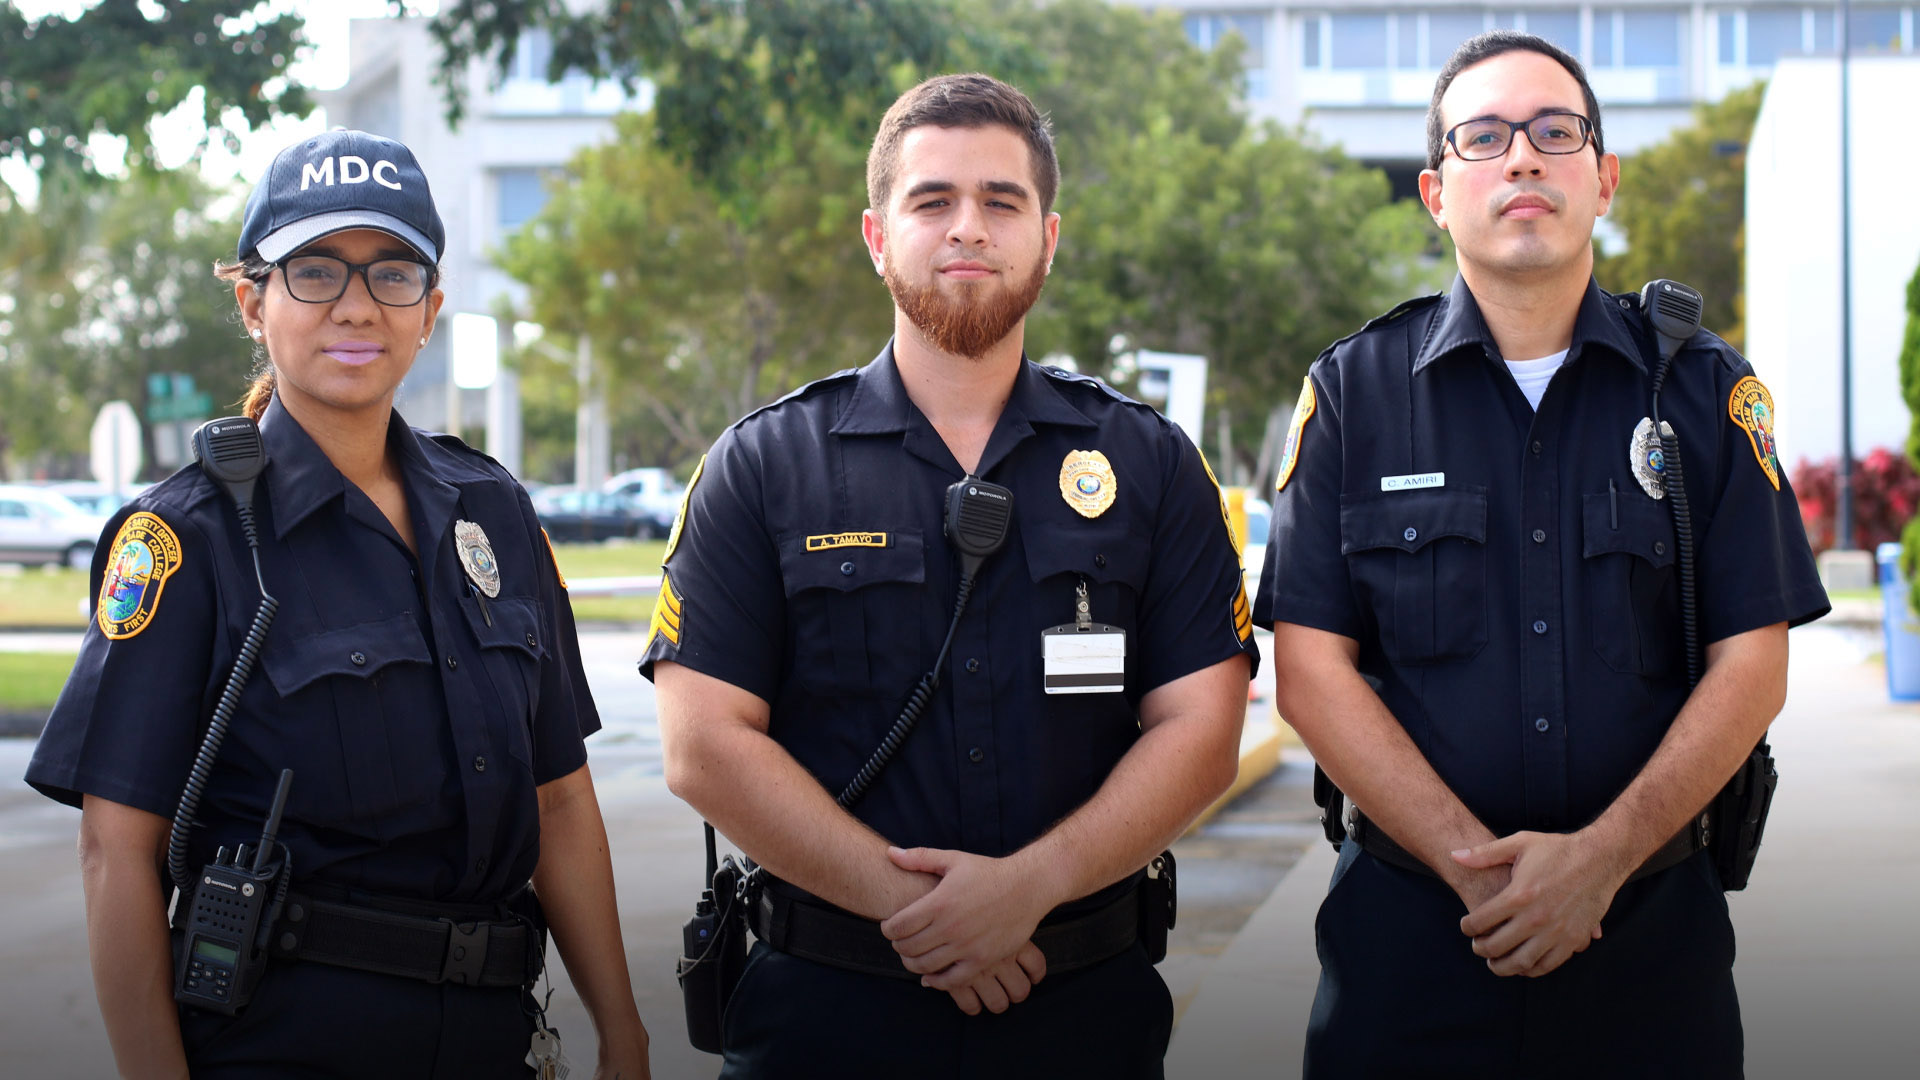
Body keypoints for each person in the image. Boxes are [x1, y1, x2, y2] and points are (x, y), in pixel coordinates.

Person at [642, 73, 1258, 1078]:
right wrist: (929, 917)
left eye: (1001, 201)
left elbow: (1203, 729)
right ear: (879, 237)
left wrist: (1032, 886)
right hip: (824, 1020)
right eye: (932, 201)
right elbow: (704, 746)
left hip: (1083, 1016)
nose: (968, 227)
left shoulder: (1148, 462)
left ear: (1048, 239)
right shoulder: (764, 465)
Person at [1254, 31, 1829, 1079]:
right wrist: (1481, 875)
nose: (1522, 157)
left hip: (1652, 947)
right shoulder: (1354, 394)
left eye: (1554, 132)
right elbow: (1311, 672)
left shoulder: (1702, 392)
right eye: (1484, 136)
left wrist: (1599, 863)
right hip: (1413, 947)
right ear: (1436, 191)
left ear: (1602, 178)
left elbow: (1753, 660)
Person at [25, 129, 651, 1079]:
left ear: (431, 309)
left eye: (393, 273)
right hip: (285, 1045)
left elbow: (559, 800)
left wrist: (624, 1032)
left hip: (492, 1039)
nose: (357, 306)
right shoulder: (186, 536)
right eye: (315, 271)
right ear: (253, 302)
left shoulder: (496, 512)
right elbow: (116, 852)